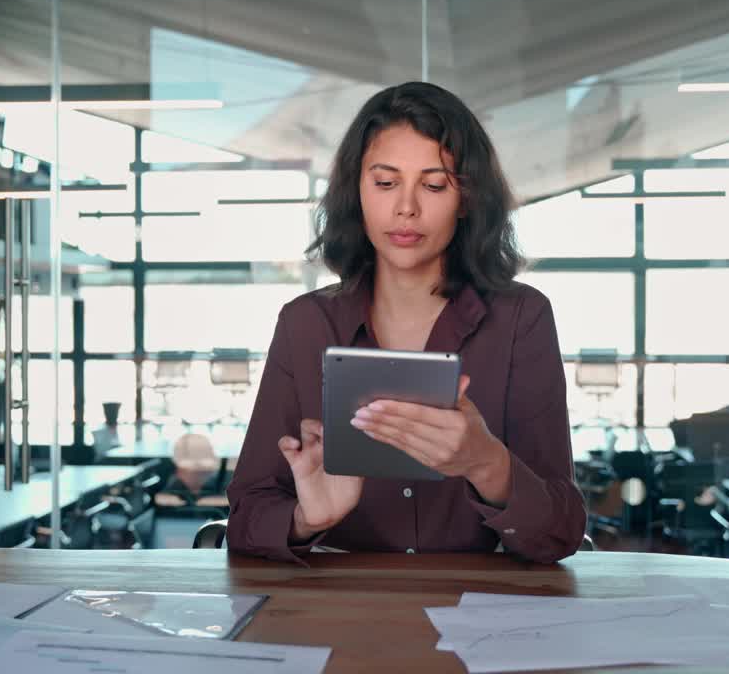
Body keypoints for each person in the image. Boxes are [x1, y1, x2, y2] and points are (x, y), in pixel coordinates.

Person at [226, 82, 587, 564]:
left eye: (434, 185)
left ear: (467, 198)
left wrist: (487, 463)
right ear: (357, 189)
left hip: (480, 619)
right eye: (385, 182)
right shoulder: (305, 324)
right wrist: (308, 518)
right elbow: (245, 517)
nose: (406, 208)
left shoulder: (521, 319)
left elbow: (560, 534)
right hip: (337, 616)